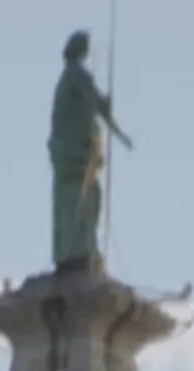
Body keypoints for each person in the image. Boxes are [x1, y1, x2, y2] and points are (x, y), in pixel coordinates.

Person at [49, 27, 124, 271]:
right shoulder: (76, 76)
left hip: (66, 154)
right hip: (75, 155)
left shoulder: (65, 79)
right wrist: (106, 106)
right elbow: (94, 99)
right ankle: (81, 250)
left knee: (73, 199)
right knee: (87, 197)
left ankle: (71, 250)